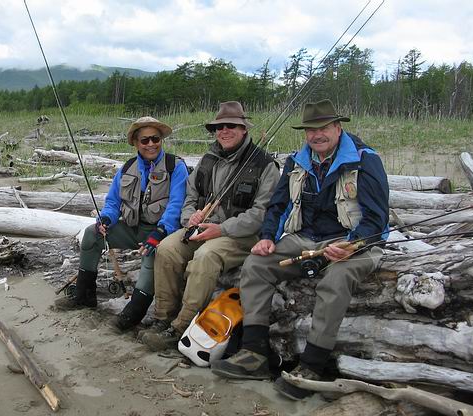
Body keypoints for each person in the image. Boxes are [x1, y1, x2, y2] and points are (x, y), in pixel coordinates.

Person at [213, 99, 389, 401]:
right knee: (256, 264)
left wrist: (351, 244)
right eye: (310, 130)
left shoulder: (365, 160)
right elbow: (278, 205)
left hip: (356, 241)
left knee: (336, 279)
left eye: (323, 128)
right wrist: (267, 237)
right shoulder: (297, 161)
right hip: (305, 238)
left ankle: (312, 366)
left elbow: (377, 219)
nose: (316, 135)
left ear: (338, 128)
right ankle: (254, 353)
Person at [139, 101, 280, 351]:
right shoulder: (208, 159)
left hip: (240, 235)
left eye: (231, 126)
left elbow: (261, 213)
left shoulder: (265, 165)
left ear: (244, 129)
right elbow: (190, 196)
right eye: (219, 127)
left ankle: (181, 326)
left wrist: (222, 229)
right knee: (167, 249)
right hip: (202, 228)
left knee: (205, 256)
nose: (224, 131)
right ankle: (163, 317)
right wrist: (190, 217)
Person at [53, 116, 189, 333]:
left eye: (155, 139)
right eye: (145, 140)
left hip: (161, 232)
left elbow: (176, 205)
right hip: (133, 228)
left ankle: (132, 314)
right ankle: (84, 296)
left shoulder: (176, 167)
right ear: (135, 142)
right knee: (91, 234)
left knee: (151, 256)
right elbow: (113, 202)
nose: (151, 144)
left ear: (161, 140)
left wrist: (160, 233)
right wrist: (106, 219)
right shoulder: (126, 168)